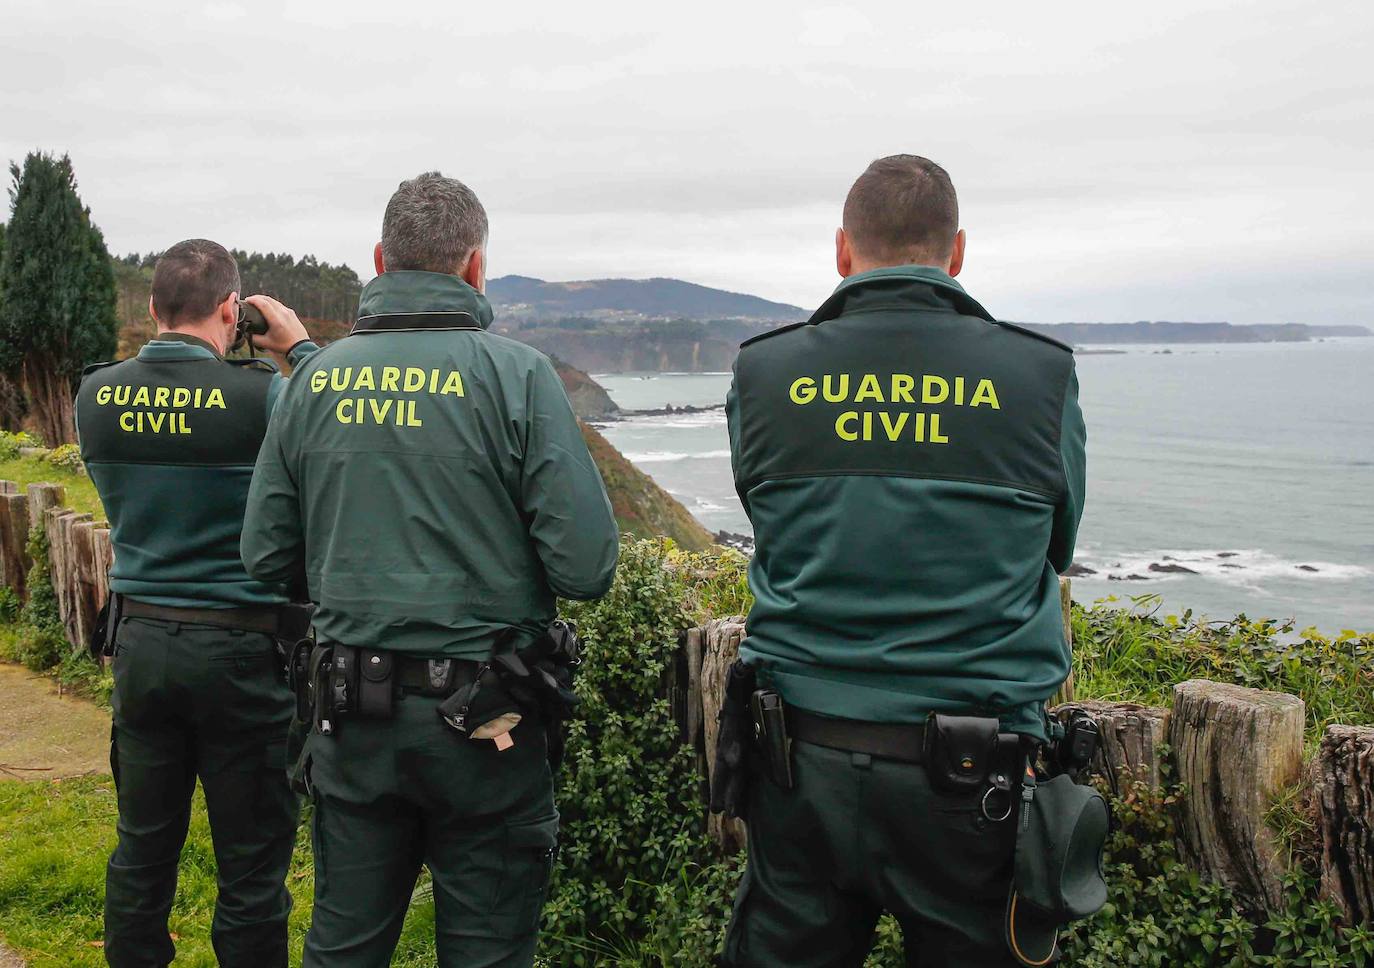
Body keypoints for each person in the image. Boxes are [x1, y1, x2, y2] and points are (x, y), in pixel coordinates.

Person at [241, 171, 620, 967]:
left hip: (351, 719)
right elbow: (585, 567)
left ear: (380, 259)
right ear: (476, 268)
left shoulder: (316, 382)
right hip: (490, 729)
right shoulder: (518, 376)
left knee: (344, 946)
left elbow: (264, 557)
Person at [718, 155, 1088, 967]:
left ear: (843, 252)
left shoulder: (765, 370)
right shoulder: (1040, 375)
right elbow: (1057, 546)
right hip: (973, 775)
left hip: (798, 758)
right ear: (957, 253)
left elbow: (771, 516)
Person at [75, 239, 320, 967]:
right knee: (250, 865)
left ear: (152, 309)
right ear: (230, 311)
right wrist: (297, 348)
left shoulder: (95, 394)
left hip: (141, 643)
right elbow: (327, 437)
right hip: (244, 651)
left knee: (142, 848)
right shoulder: (261, 394)